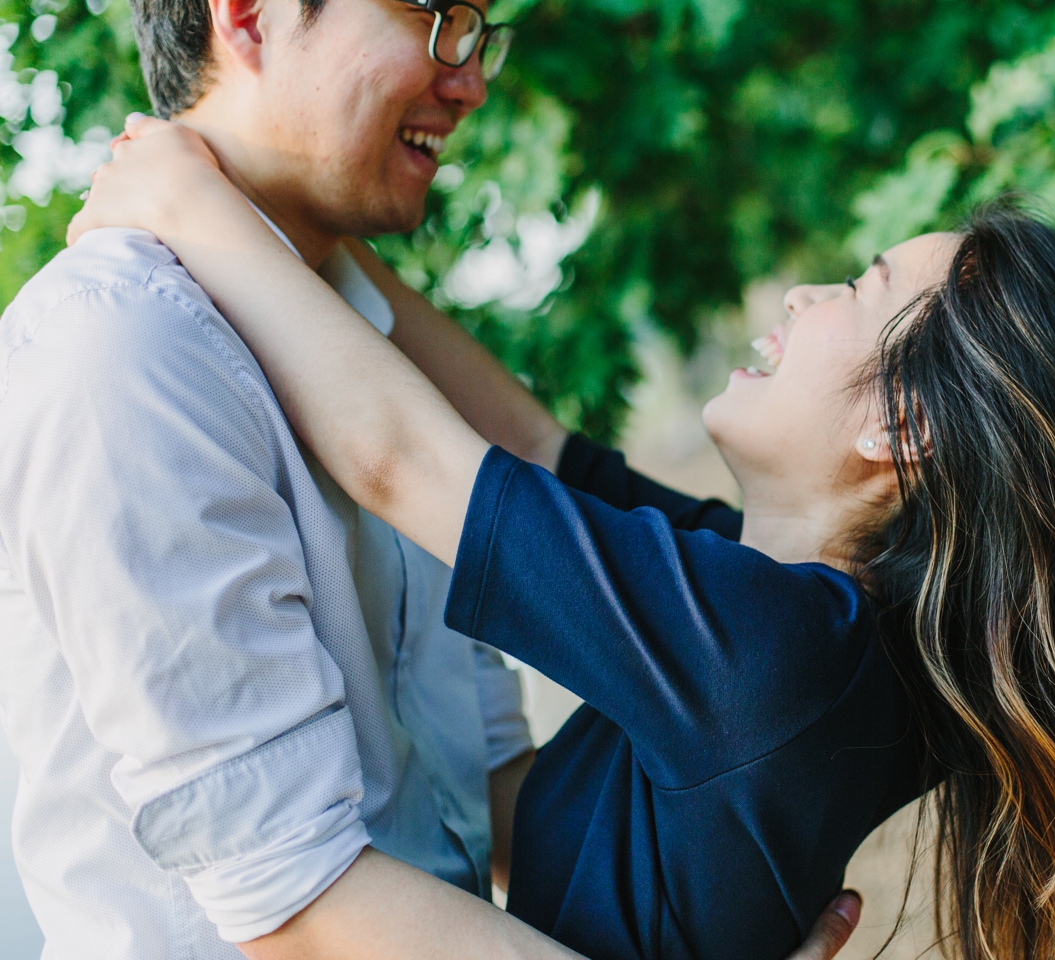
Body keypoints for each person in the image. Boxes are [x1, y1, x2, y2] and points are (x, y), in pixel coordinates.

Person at [72, 116, 1055, 960]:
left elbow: (407, 461)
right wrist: (316, 245)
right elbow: (535, 452)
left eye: (857, 289)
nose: (802, 297)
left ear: (901, 425)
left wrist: (190, 201)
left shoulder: (772, 659)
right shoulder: (793, 611)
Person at [0, 0, 864, 955]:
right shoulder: (130, 344)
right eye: (437, 16)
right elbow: (295, 910)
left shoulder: (379, 365)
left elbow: (474, 794)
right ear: (249, 16)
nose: (471, 78)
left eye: (477, 31)